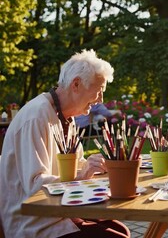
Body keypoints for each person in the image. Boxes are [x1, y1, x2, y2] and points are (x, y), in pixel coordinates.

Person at [0, 50, 130, 238]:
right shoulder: (36, 117)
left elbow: (75, 165)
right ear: (76, 84)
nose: (101, 99)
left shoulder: (66, 117)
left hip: (63, 213)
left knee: (120, 230)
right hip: (35, 224)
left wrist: (99, 166)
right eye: (99, 90)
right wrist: (84, 173)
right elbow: (35, 185)